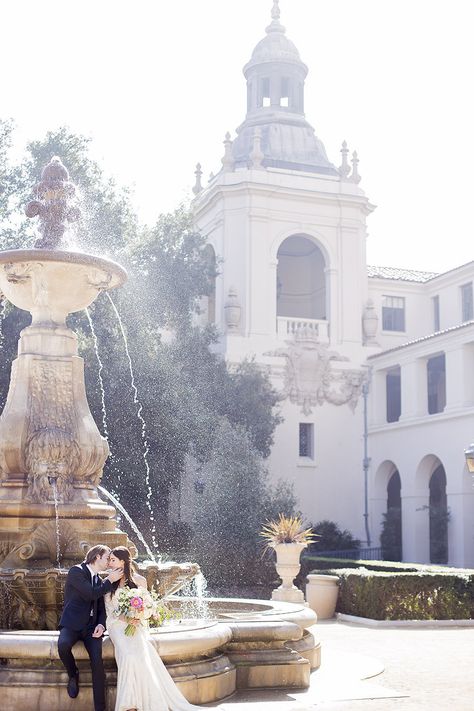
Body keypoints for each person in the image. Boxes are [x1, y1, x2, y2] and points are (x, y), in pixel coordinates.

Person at [106, 546, 208, 711]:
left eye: (112, 560)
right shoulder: (108, 580)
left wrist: (138, 616)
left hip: (135, 625)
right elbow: (109, 610)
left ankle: (140, 702)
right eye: (109, 560)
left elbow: (148, 605)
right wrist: (126, 617)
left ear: (123, 561)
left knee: (140, 656)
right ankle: (128, 704)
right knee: (127, 655)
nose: (109, 563)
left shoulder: (140, 581)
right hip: (116, 624)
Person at [58, 544, 124, 711]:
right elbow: (90, 594)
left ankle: (100, 708)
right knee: (63, 645)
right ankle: (73, 674)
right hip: (72, 624)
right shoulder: (76, 571)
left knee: (97, 662)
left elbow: (101, 608)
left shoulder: (99, 580)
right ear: (97, 557)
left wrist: (101, 625)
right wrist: (110, 580)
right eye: (107, 558)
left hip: (91, 628)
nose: (109, 562)